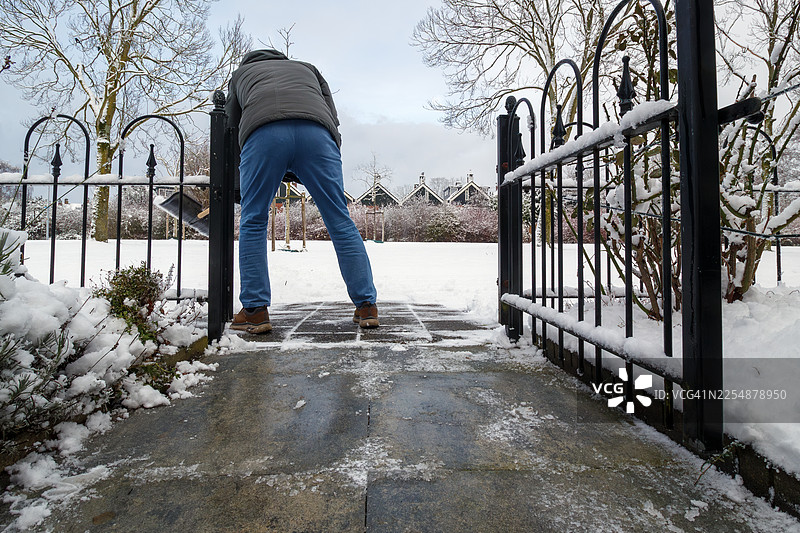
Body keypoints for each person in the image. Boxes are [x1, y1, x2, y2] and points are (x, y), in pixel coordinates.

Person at [225, 49, 378, 333]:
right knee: (339, 220)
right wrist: (320, 161)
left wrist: (241, 185)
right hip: (318, 134)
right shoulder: (307, 67)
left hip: (262, 135)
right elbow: (332, 116)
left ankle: (256, 311)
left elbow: (230, 128)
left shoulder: (240, 76)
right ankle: (366, 305)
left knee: (254, 220)